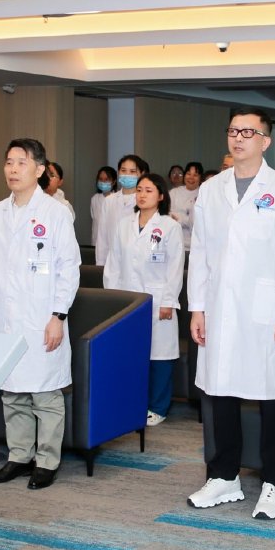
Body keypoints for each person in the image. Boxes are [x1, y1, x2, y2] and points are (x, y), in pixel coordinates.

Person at [186, 109, 275, 520]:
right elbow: (200, 253)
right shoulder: (211, 189)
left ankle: (274, 483)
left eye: (248, 132)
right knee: (220, 390)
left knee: (271, 394)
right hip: (219, 305)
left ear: (265, 141)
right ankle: (225, 476)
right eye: (233, 131)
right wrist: (198, 307)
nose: (238, 138)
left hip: (266, 308)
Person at [0, 138, 81, 490]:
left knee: (45, 394)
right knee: (12, 394)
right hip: (4, 318)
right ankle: (19, 456)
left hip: (42, 318)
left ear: (39, 169)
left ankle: (47, 461)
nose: (12, 169)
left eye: (21, 163)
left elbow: (69, 268)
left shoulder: (55, 213)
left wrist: (58, 316)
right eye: (9, 162)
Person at [103, 172, 184, 426]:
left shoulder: (169, 226)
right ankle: (132, 402)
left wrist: (168, 301)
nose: (142, 194)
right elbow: (113, 263)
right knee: (131, 354)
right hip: (127, 300)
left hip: (158, 300)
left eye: (149, 190)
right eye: (139, 190)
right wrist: (113, 298)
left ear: (161, 196)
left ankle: (158, 407)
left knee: (160, 356)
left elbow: (175, 267)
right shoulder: (124, 225)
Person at [95, 155, 147, 269]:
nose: (127, 175)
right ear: (118, 172)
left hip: (138, 263)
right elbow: (102, 237)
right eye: (123, 170)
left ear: (141, 174)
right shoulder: (109, 201)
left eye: (132, 171)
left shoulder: (145, 201)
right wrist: (100, 264)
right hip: (112, 262)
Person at [170, 160, 202, 238]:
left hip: (194, 240)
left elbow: (198, 221)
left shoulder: (202, 194)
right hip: (174, 237)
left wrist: (180, 219)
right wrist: (187, 219)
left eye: (195, 175)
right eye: (188, 174)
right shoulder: (174, 192)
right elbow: (168, 215)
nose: (191, 178)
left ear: (200, 178)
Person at [89, 164, 117, 249]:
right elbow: (94, 218)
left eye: (106, 179)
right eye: (101, 179)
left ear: (114, 182)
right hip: (96, 242)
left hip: (113, 242)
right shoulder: (94, 198)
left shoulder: (117, 199)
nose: (103, 182)